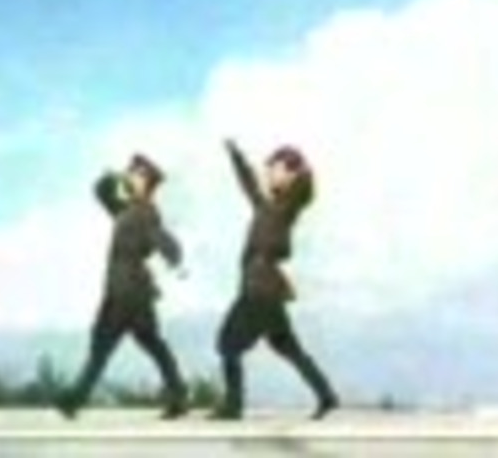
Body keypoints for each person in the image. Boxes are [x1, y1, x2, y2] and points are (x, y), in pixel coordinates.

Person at [209, 139, 338, 420]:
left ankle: (233, 405)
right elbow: (249, 185)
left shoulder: (289, 205)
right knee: (287, 347)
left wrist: (300, 169)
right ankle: (326, 395)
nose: (269, 173)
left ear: (291, 175)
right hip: (263, 286)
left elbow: (305, 190)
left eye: (275, 169)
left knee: (227, 344)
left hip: (260, 289)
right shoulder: (266, 206)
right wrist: (236, 157)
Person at [57, 154, 189, 420]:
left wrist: (174, 258)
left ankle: (75, 399)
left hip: (130, 292)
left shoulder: (146, 212)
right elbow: (101, 191)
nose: (131, 176)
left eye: (136, 174)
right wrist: (115, 177)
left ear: (147, 182)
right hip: (120, 289)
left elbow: (161, 239)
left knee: (107, 345)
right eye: (130, 172)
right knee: (147, 344)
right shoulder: (127, 209)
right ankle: (178, 394)